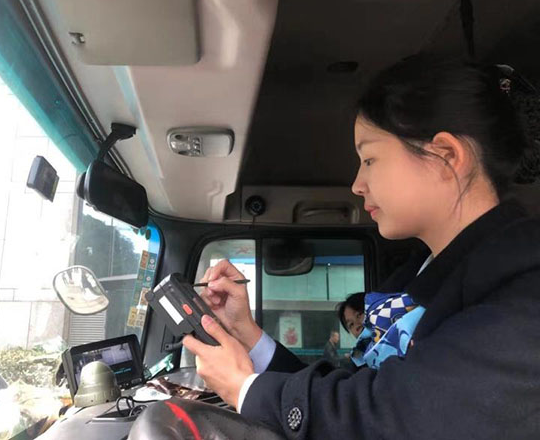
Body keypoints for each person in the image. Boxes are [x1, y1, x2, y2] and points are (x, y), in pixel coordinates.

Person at [183, 54, 540, 439]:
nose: (357, 184)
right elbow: (355, 393)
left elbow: (394, 417)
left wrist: (245, 388)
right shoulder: (412, 277)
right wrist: (248, 336)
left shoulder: (523, 294)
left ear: (445, 156)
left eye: (369, 159)